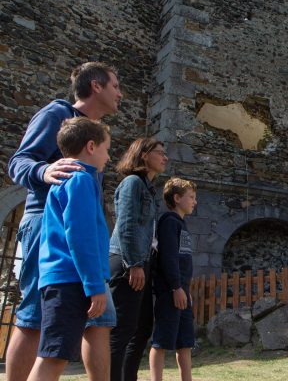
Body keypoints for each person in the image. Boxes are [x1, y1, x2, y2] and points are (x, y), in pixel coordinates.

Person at [7, 62, 122, 381]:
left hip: (83, 243)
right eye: (115, 85)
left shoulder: (95, 137)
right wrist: (42, 171)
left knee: (101, 319)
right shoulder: (56, 114)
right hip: (46, 224)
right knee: (33, 317)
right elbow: (18, 162)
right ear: (96, 86)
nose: (120, 93)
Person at [27, 117, 115, 381]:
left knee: (56, 353)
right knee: (54, 356)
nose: (108, 157)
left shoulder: (71, 181)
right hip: (71, 280)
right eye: (106, 149)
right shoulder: (80, 181)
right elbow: (81, 237)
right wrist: (94, 285)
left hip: (66, 279)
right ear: (91, 146)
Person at [109, 137, 168, 381]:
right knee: (121, 330)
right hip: (126, 261)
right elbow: (126, 225)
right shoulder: (133, 183)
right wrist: (133, 264)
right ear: (144, 155)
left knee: (141, 329)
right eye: (160, 152)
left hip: (141, 262)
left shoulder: (149, 188)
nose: (165, 157)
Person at [149, 178, 197, 381]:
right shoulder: (169, 222)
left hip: (181, 290)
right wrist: (176, 287)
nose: (195, 202)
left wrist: (186, 289)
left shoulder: (181, 223)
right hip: (170, 291)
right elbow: (168, 257)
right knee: (161, 340)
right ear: (177, 198)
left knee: (185, 341)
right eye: (191, 197)